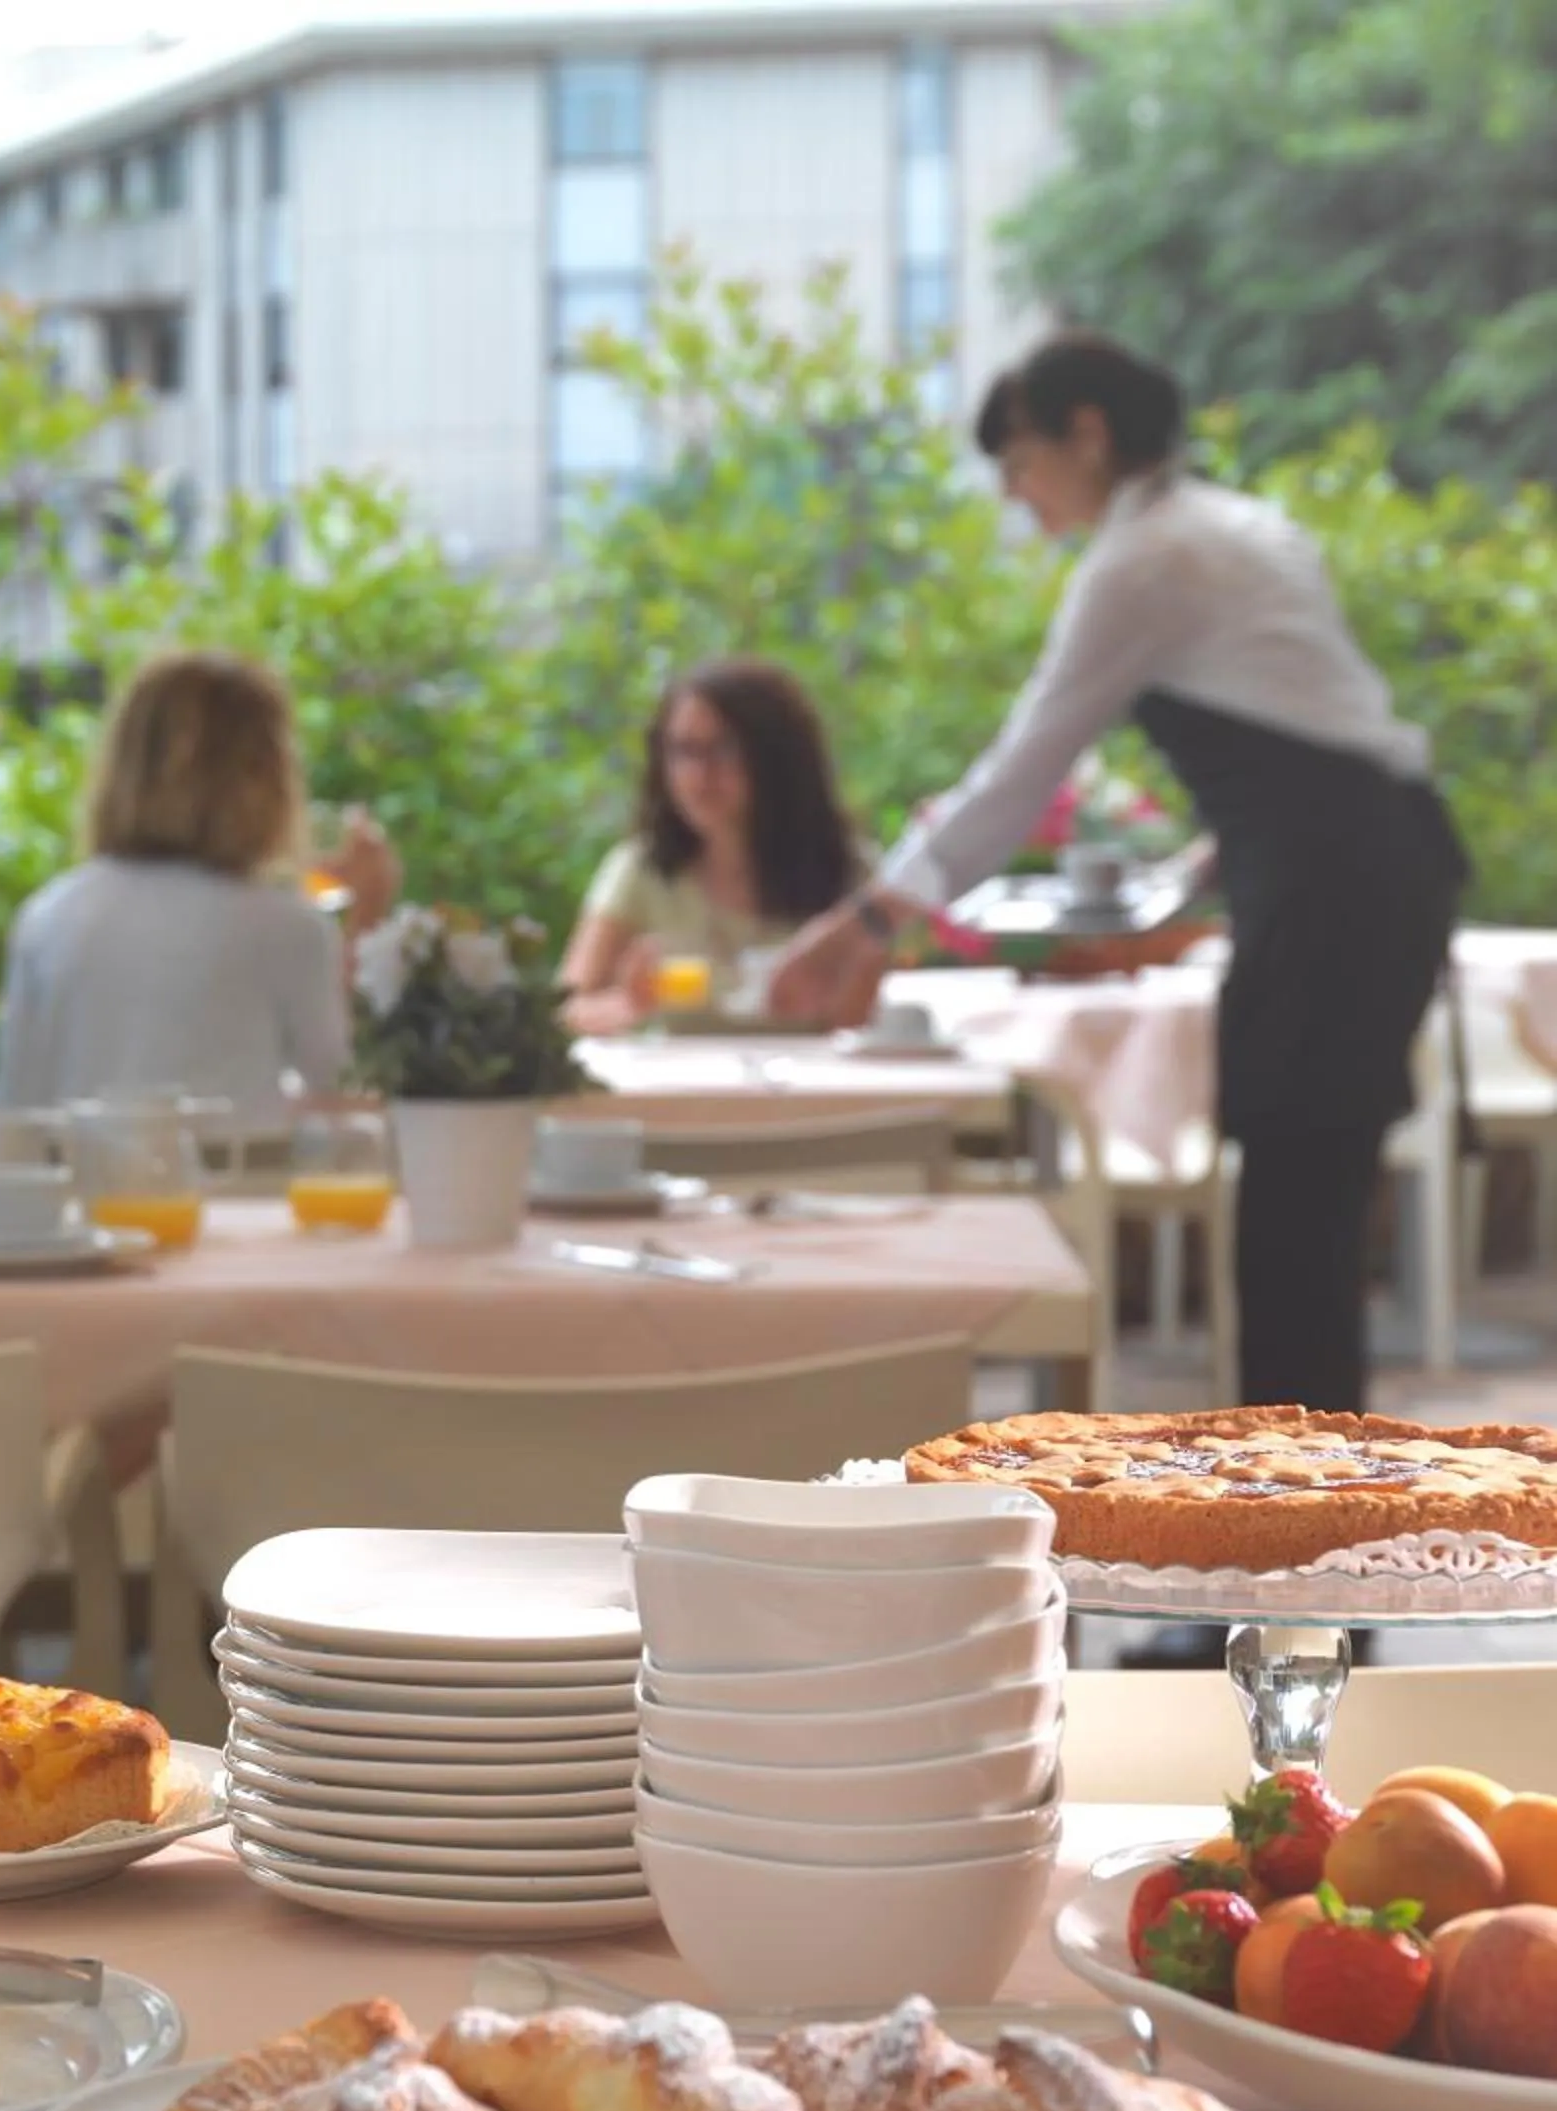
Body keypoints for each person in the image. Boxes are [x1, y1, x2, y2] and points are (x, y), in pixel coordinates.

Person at [769, 332, 1466, 1413]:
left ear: (1086, 434)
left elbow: (1024, 768)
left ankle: (1299, 1495)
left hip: (1336, 888)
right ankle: (1304, 1474)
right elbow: (1320, 733)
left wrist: (867, 921)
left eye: (1019, 460)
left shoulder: (1147, 559)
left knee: (1294, 1204)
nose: (1015, 493)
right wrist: (1202, 865)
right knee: (1309, 1196)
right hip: (1381, 863)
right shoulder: (1235, 528)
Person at [0, 649, 399, 1123]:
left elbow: (12, 1108)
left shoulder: (51, 914)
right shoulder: (282, 925)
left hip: (85, 1189)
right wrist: (369, 908)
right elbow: (344, 1092)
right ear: (264, 776)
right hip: (238, 1192)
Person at [559, 657, 863, 1033]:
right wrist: (628, 1004)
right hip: (684, 1089)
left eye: (724, 749)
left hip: (815, 1088)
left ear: (778, 759)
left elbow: (865, 1024)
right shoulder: (642, 868)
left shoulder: (848, 871)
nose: (700, 774)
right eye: (684, 751)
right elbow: (568, 1008)